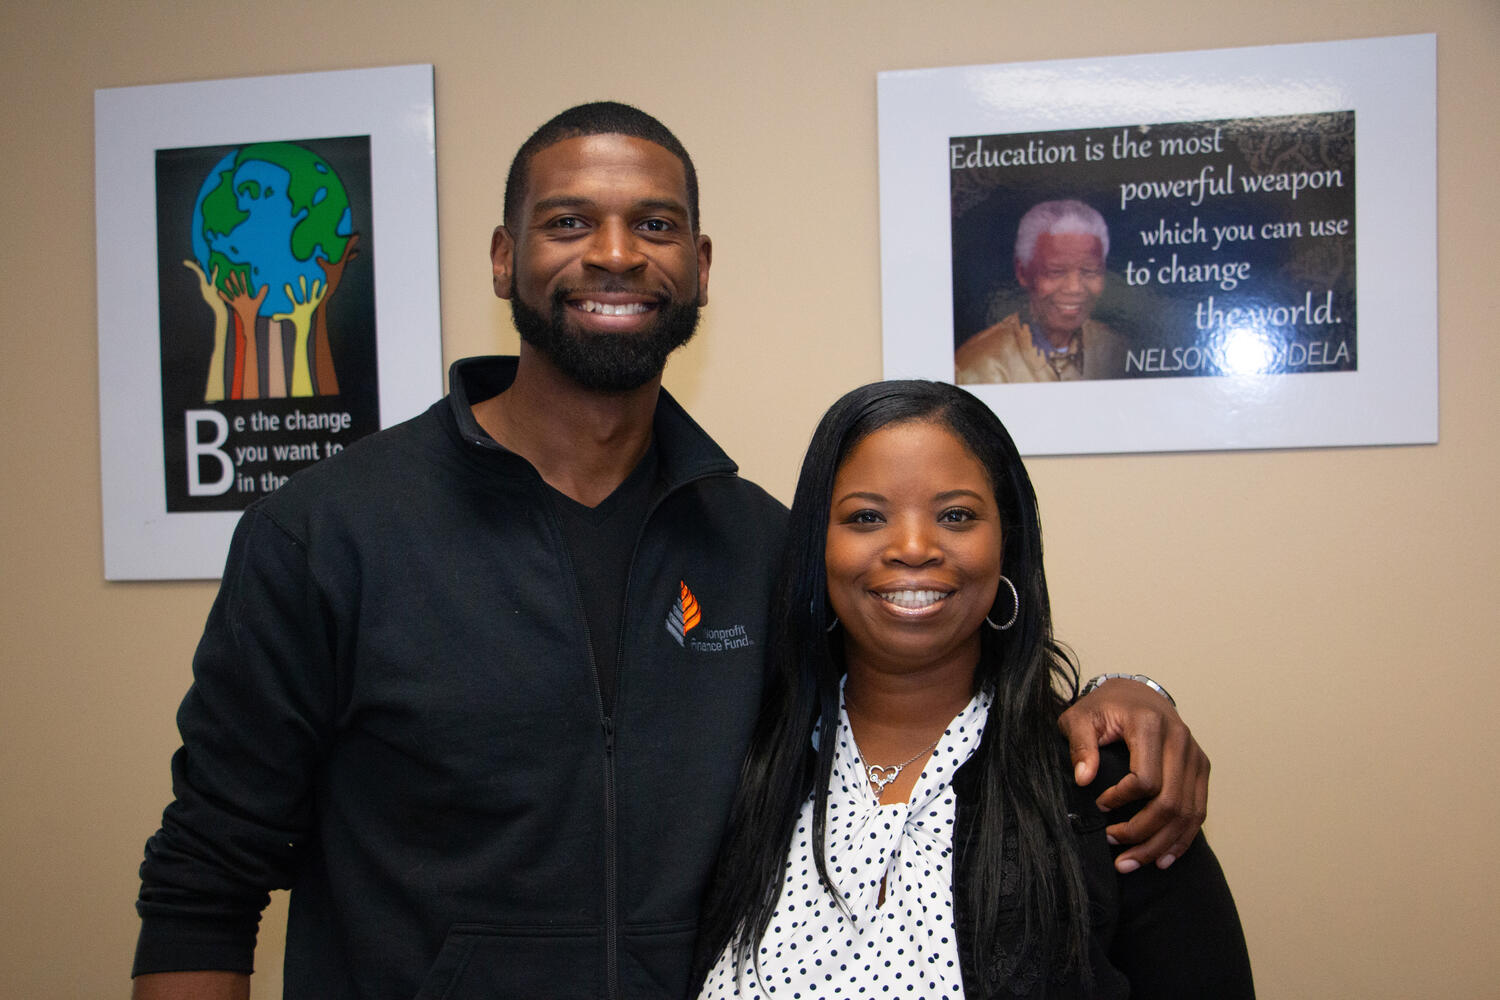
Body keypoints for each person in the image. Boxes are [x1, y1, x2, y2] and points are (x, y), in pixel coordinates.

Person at [132, 105, 1210, 1000]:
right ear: (506, 258)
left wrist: (1127, 694)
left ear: (697, 267)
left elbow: (917, 681)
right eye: (568, 221)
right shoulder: (330, 532)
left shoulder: (756, 539)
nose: (613, 252)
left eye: (653, 224)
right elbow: (204, 880)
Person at [694, 380, 1253, 999]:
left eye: (956, 515)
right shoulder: (740, 763)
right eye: (866, 517)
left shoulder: (1108, 788)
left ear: (1005, 542)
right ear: (816, 550)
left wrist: (1137, 691)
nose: (912, 548)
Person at [955, 199, 1128, 384]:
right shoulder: (979, 367)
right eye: (1056, 272)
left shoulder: (1117, 349)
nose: (1075, 288)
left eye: (1089, 271)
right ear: (1023, 272)